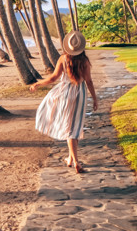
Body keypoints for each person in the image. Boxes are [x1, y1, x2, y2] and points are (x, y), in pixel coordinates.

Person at [30, 30, 98, 173]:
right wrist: (95, 98)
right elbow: (89, 81)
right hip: (80, 94)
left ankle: (73, 160)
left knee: (70, 128)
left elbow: (53, 78)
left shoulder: (63, 59)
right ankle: (73, 160)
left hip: (65, 93)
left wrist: (39, 83)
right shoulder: (85, 61)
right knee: (74, 126)